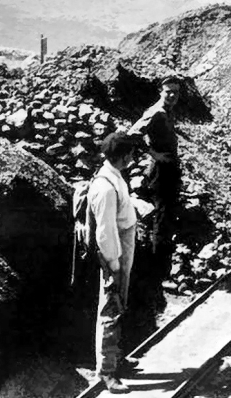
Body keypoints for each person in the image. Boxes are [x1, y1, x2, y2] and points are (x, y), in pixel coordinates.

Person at [88, 131, 138, 394]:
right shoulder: (106, 188)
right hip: (114, 256)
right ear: (123, 156)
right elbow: (105, 233)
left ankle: (117, 358)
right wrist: (114, 265)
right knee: (111, 310)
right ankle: (106, 372)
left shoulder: (114, 176)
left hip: (122, 249)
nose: (133, 158)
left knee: (120, 305)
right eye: (130, 154)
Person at [128, 76, 182, 257]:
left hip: (170, 166)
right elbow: (133, 134)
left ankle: (165, 253)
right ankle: (158, 259)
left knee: (168, 211)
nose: (172, 95)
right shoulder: (156, 112)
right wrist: (154, 154)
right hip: (161, 169)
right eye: (168, 91)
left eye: (176, 92)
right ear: (161, 92)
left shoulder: (168, 111)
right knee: (162, 213)